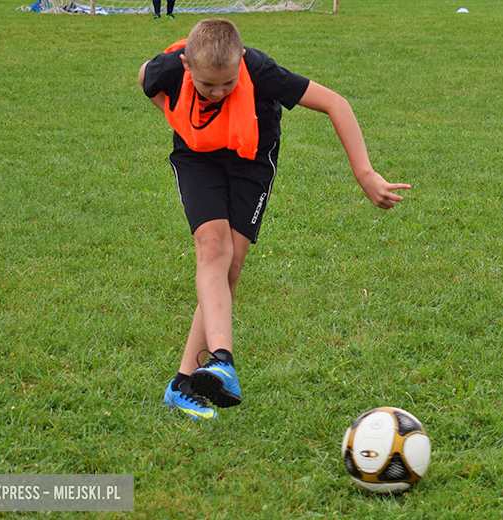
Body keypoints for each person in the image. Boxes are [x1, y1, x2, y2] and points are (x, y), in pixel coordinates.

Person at [138, 18, 410, 420]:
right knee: (212, 247)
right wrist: (173, 114)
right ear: (187, 66)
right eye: (206, 85)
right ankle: (222, 360)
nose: (217, 93)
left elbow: (336, 103)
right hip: (198, 160)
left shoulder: (259, 70)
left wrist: (365, 174)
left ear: (241, 62)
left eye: (227, 84)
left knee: (229, 265)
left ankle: (181, 384)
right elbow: (145, 75)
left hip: (251, 164)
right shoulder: (170, 68)